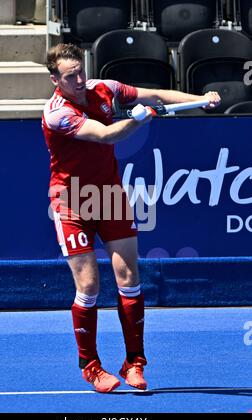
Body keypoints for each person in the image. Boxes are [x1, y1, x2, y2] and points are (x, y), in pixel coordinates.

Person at [41, 43, 220, 393]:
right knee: (89, 285)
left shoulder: (104, 88)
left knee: (129, 278)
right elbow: (107, 135)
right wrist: (137, 119)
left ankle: (134, 362)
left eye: (80, 71)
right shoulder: (56, 113)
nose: (79, 80)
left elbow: (155, 94)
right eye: (69, 76)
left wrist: (200, 97)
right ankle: (90, 366)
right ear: (55, 81)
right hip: (71, 202)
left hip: (109, 197)